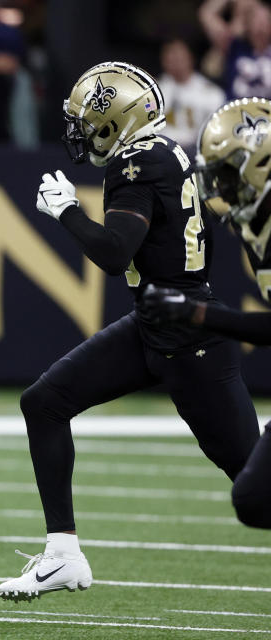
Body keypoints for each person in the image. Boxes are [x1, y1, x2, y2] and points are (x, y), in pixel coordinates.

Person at [0, 61, 260, 601]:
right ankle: (62, 555)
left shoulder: (136, 162)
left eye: (87, 121)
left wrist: (67, 212)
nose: (80, 133)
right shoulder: (166, 150)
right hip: (155, 324)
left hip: (191, 340)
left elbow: (116, 253)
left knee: (258, 489)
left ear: (115, 119)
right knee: (44, 402)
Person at [143, 96, 271, 529]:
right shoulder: (257, 222)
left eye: (226, 173)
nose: (219, 187)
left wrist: (198, 315)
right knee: (254, 498)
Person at [157, 39, 226, 151]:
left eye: (180, 57)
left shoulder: (211, 92)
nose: (176, 62)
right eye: (171, 58)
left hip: (196, 152)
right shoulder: (154, 92)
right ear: (164, 61)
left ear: (190, 58)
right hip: (162, 151)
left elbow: (215, 131)